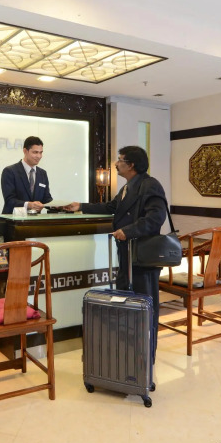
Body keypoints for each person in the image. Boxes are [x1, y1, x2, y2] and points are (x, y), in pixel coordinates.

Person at [64, 146, 167, 371]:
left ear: (131, 165)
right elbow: (111, 207)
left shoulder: (150, 185)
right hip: (127, 255)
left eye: (120, 160)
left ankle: (145, 360)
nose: (116, 164)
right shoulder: (127, 186)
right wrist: (81, 206)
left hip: (143, 258)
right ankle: (127, 357)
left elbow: (156, 218)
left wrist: (128, 231)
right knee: (127, 305)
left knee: (144, 308)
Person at [0, 136, 53, 214]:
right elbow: (10, 200)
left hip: (35, 220)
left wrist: (60, 206)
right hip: (13, 219)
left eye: (41, 152)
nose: (39, 156)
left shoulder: (42, 173)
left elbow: (46, 199)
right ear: (25, 151)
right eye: (35, 152)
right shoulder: (10, 171)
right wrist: (29, 205)